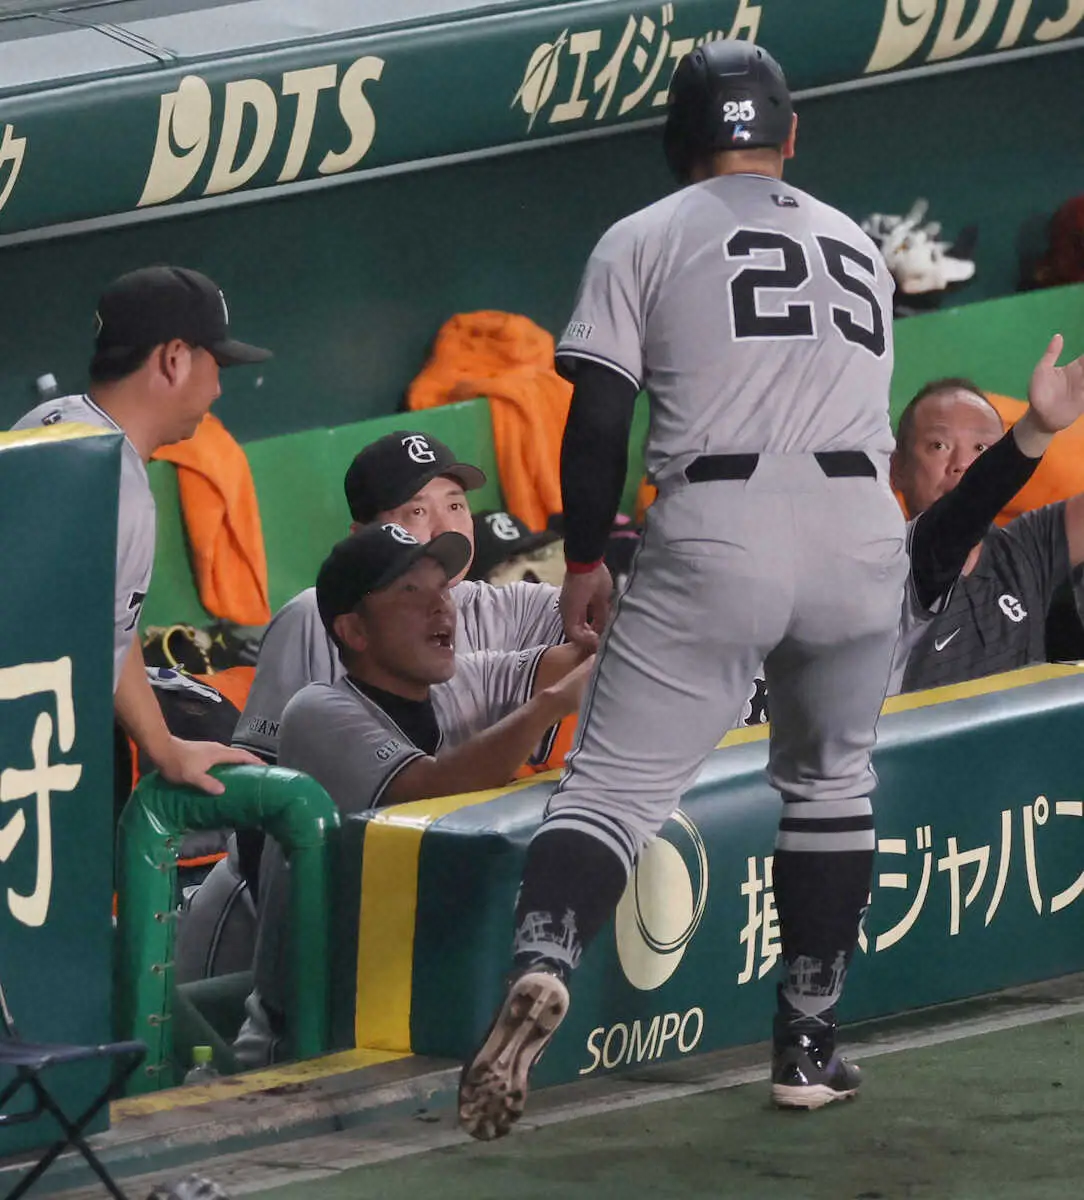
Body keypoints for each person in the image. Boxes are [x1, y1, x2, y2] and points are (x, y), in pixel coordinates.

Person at [459, 38, 911, 1139]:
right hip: (862, 519)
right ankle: (807, 1043)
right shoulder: (856, 240)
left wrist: (579, 561)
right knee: (831, 782)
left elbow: (600, 420)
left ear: (676, 140)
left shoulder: (645, 235)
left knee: (612, 790)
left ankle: (545, 960)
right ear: (789, 139)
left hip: (721, 516)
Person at [235, 522, 593, 1066]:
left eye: (443, 589)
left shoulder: (460, 681)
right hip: (303, 1048)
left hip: (406, 1020)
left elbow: (577, 667)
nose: (441, 608)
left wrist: (614, 617)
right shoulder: (318, 712)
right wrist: (551, 704)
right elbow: (427, 788)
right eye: (411, 592)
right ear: (355, 632)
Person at [11, 265, 267, 795]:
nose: (218, 388)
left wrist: (162, 744)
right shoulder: (115, 485)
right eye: (214, 364)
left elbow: (104, 627)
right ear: (174, 360)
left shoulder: (47, 422)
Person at [233, 431, 565, 765]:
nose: (446, 528)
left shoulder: (510, 608)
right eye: (417, 512)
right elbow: (261, 767)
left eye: (455, 505)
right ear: (362, 536)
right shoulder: (312, 617)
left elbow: (605, 632)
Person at [890, 337, 1084, 692]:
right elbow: (968, 506)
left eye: (982, 449)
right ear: (896, 468)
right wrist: (1037, 429)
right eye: (939, 446)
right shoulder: (888, 568)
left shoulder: (1027, 548)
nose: (962, 464)